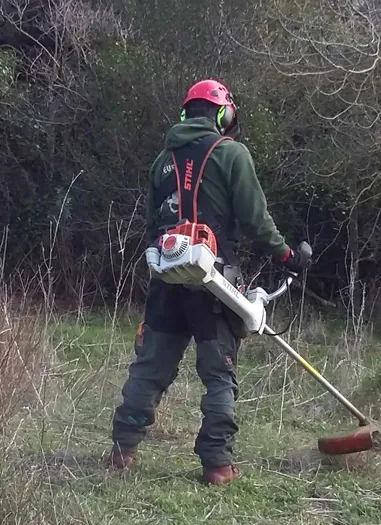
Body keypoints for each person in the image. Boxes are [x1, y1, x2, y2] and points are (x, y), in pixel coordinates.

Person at [108, 79, 311, 485]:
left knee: (150, 367)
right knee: (219, 372)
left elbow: (151, 226)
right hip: (213, 279)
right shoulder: (231, 153)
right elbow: (256, 220)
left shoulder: (161, 161)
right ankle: (217, 465)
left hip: (166, 276)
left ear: (186, 112)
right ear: (223, 114)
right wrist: (287, 255)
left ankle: (123, 450)